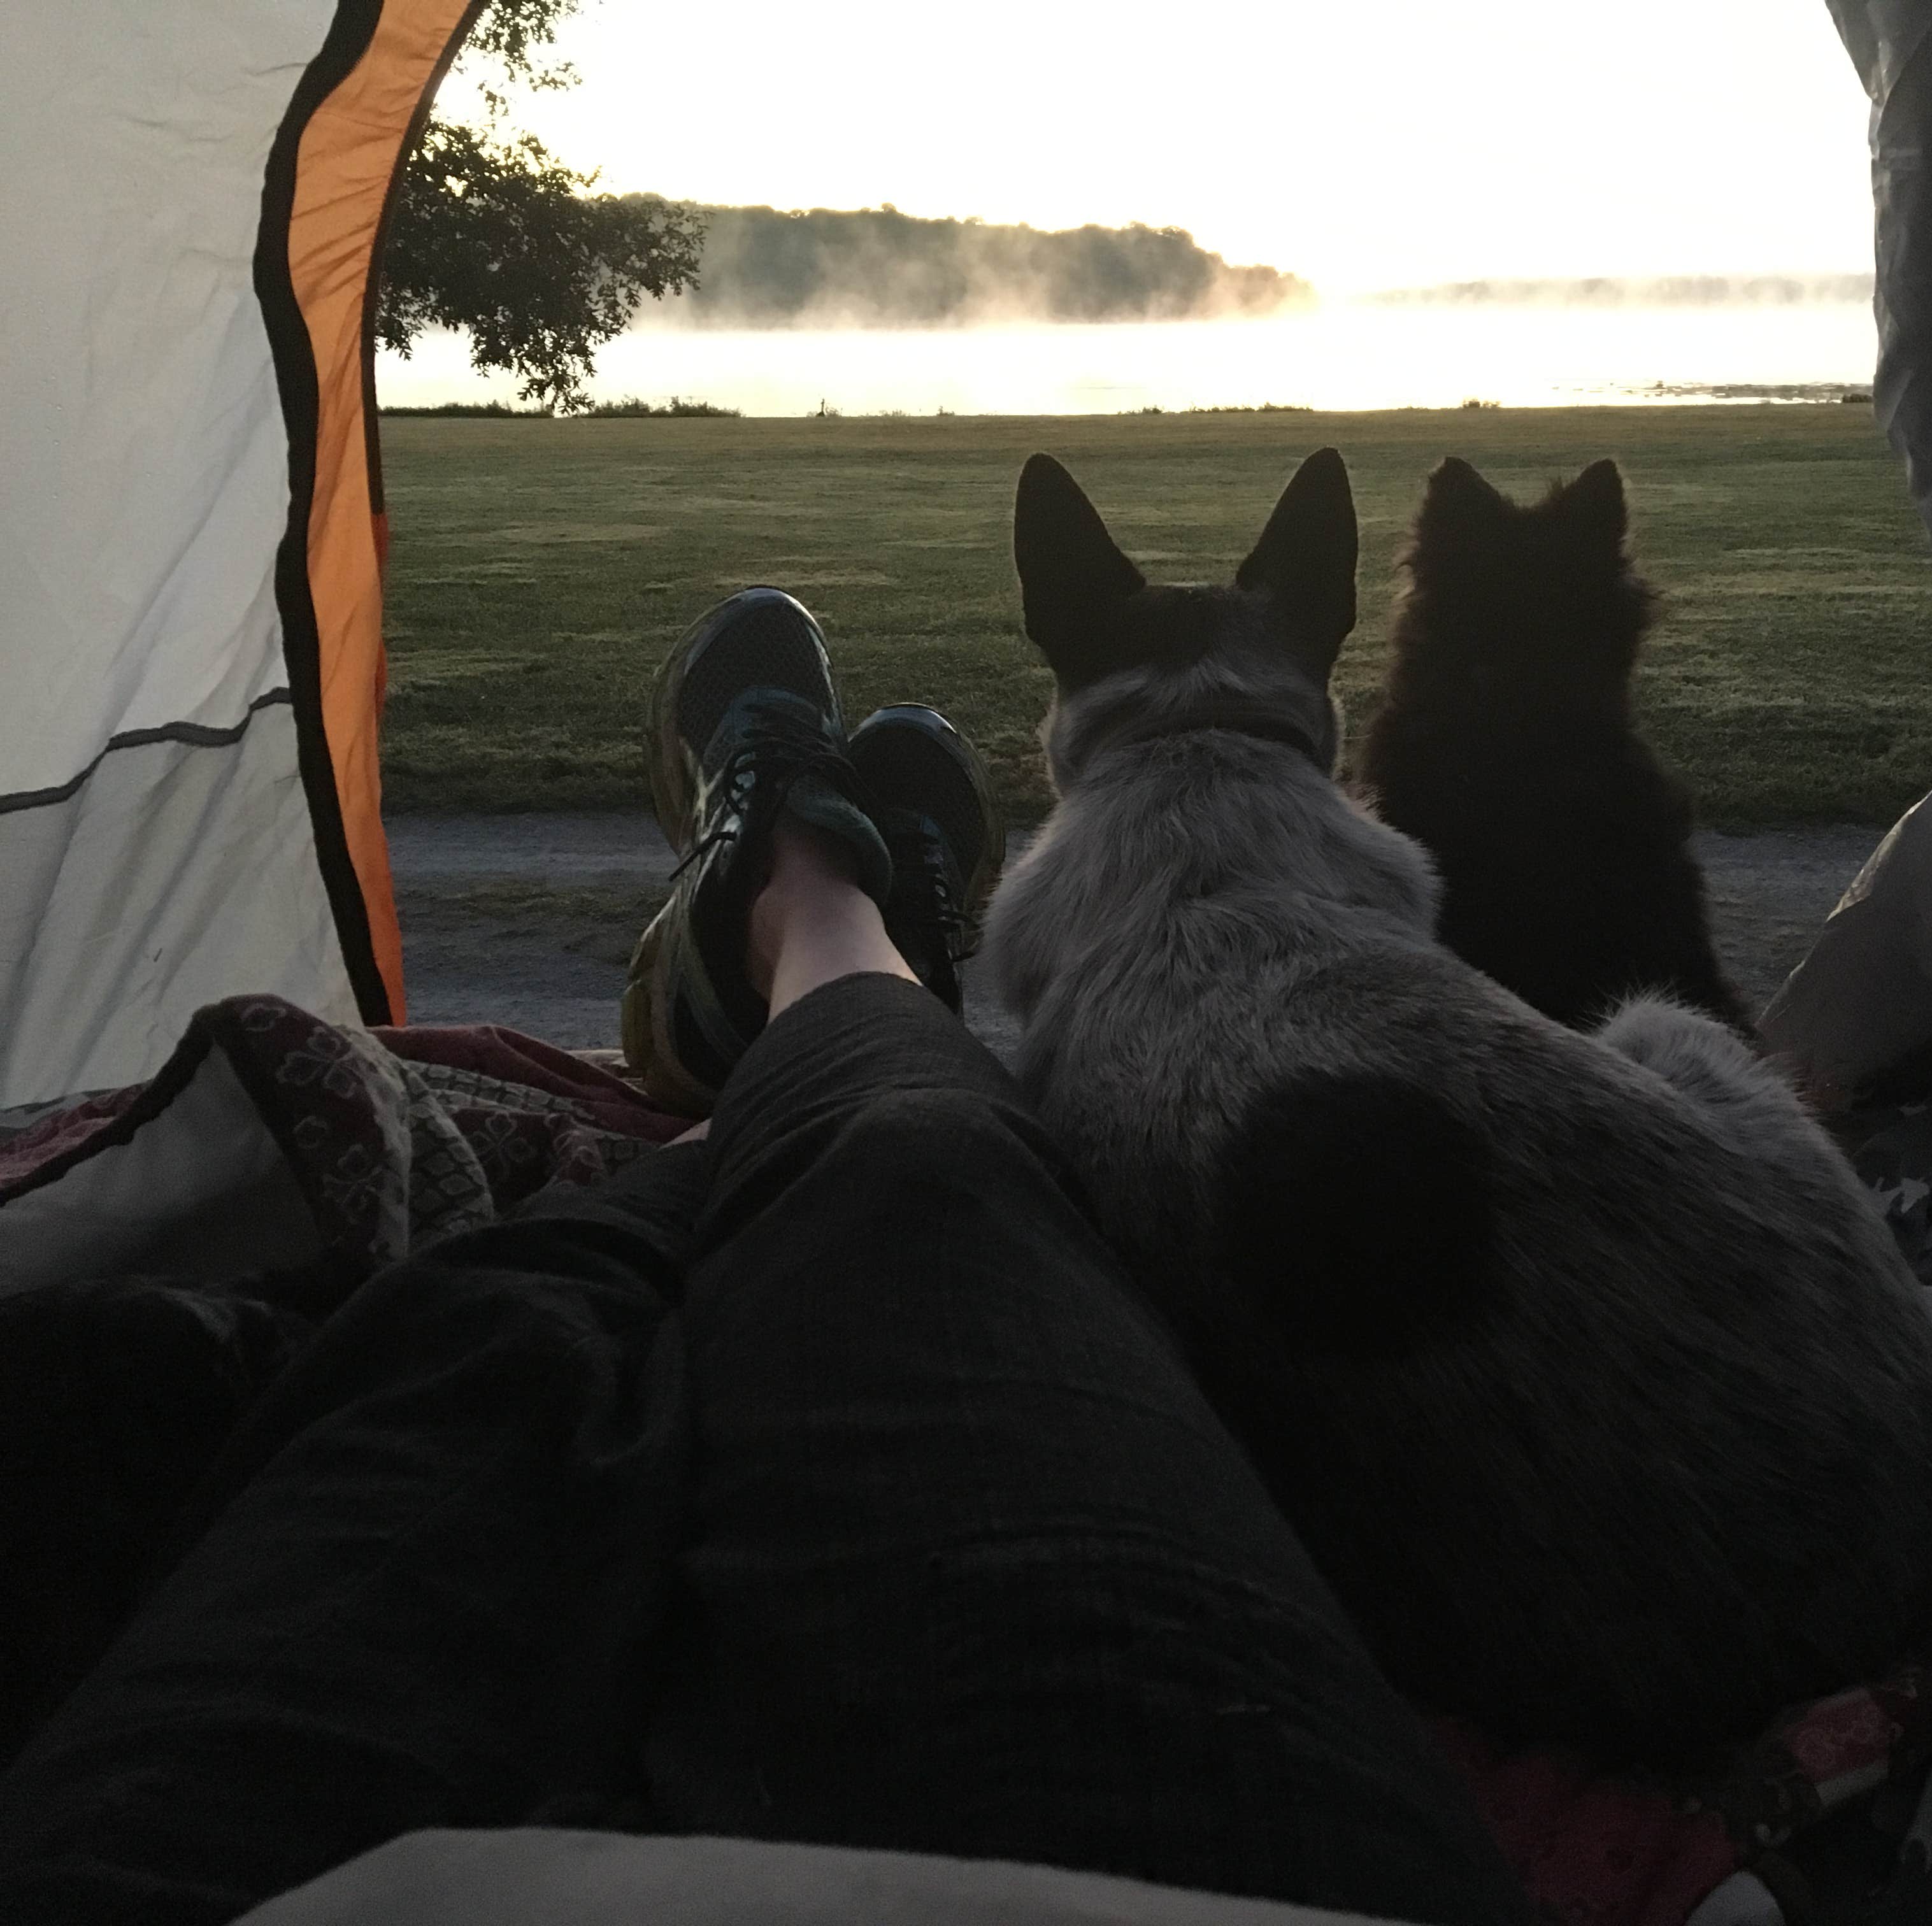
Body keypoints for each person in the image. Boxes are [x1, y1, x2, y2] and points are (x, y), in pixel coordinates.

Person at [0, 592, 1528, 1926]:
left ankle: (797, 913)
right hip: (1213, 1821)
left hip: (177, 1860)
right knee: (914, 1175)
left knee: (500, 1344)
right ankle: (845, 933)